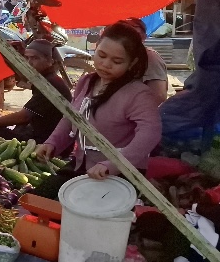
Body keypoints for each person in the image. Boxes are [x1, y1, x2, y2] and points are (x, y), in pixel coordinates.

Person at [33, 23, 162, 200]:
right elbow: (71, 118)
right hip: (82, 165)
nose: (106, 64)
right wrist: (52, 143)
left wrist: (113, 164)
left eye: (117, 61)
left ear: (132, 63)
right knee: (39, 199)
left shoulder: (138, 94)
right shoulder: (87, 82)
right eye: (101, 55)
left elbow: (150, 133)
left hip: (117, 175)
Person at [0, 39, 72, 144]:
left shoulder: (49, 84)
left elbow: (24, 117)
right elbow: (24, 77)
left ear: (50, 61)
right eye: (27, 58)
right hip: (40, 131)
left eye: (35, 58)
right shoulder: (45, 78)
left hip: (47, 141)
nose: (29, 63)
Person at [118, 17, 168, 103]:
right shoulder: (119, 56)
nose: (129, 38)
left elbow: (159, 96)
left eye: (134, 33)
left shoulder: (150, 57)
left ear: (144, 37)